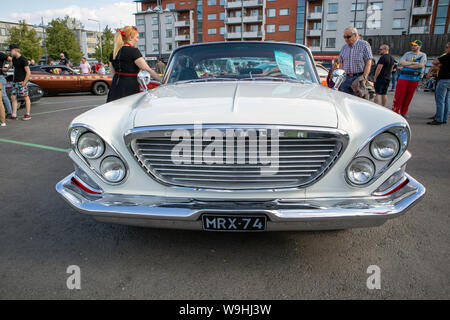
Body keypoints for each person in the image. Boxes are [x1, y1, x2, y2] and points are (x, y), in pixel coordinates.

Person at [107, 26, 161, 102]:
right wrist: (162, 80)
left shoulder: (114, 52)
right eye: (137, 37)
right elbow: (147, 69)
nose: (137, 40)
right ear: (130, 38)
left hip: (114, 88)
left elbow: (113, 74)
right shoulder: (133, 51)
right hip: (129, 87)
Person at [392, 40, 427, 118]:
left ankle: (404, 111)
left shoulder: (422, 55)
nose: (413, 47)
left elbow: (421, 65)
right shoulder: (407, 54)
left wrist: (407, 65)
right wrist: (414, 63)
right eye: (412, 45)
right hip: (403, 78)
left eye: (415, 45)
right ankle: (395, 111)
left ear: (419, 46)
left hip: (414, 79)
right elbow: (401, 62)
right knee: (399, 95)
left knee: (408, 96)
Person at [338, 27, 373, 96]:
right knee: (344, 100)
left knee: (358, 101)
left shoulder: (364, 44)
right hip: (345, 78)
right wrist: (341, 78)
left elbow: (368, 62)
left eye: (348, 37)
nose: (346, 39)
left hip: (358, 77)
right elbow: (341, 63)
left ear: (355, 35)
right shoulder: (344, 47)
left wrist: (364, 78)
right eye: (344, 37)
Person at [6, 44, 31, 120]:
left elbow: (28, 72)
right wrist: (7, 70)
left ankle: (27, 114)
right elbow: (15, 69)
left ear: (16, 50)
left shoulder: (23, 59)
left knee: (25, 97)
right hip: (15, 82)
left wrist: (24, 83)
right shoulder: (14, 59)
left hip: (22, 82)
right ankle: (14, 115)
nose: (10, 52)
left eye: (10, 50)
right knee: (13, 97)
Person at [428, 42, 450, 125]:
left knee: (440, 100)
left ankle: (439, 119)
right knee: (447, 100)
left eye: (447, 47)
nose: (445, 49)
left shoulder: (446, 56)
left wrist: (441, 63)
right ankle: (444, 118)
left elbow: (434, 62)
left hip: (444, 79)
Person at [0, 50, 13, 118]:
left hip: (0, 78)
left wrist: (7, 69)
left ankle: (9, 112)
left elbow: (11, 60)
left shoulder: (1, 54)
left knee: (3, 96)